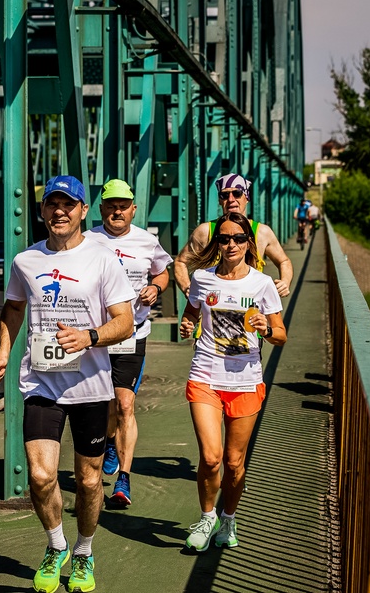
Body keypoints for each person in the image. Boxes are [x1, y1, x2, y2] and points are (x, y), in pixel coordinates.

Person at [0, 175, 134, 593]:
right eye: (52, 204)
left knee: (88, 482)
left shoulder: (103, 259)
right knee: (39, 474)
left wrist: (88, 337)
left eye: (69, 204)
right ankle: (57, 545)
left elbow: (124, 322)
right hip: (42, 385)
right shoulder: (25, 261)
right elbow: (13, 308)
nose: (60, 211)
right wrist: (2, 353)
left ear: (84, 211)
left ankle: (84, 552)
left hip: (91, 387)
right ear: (43, 210)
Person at [178, 212, 287, 552]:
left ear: (248, 244)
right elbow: (191, 314)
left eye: (238, 239)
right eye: (224, 239)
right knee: (210, 458)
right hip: (206, 376)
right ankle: (207, 516)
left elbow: (281, 335)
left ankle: (228, 517)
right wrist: (186, 326)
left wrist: (266, 328)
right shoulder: (202, 279)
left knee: (234, 463)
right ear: (217, 244)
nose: (231, 245)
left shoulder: (261, 284)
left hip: (246, 381)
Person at [83, 178, 173, 508]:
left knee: (124, 405)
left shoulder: (147, 242)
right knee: (105, 406)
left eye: (123, 205)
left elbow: (164, 272)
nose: (117, 211)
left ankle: (123, 479)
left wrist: (157, 288)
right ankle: (109, 440)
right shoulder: (87, 240)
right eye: (111, 205)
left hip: (133, 334)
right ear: (100, 209)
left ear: (134, 209)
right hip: (96, 337)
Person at [174, 173, 293, 299]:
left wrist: (285, 282)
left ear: (247, 197)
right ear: (220, 200)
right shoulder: (206, 231)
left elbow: (284, 261)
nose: (231, 199)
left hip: (250, 312)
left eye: (237, 193)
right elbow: (180, 262)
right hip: (212, 312)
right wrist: (188, 287)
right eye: (224, 195)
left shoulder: (262, 232)